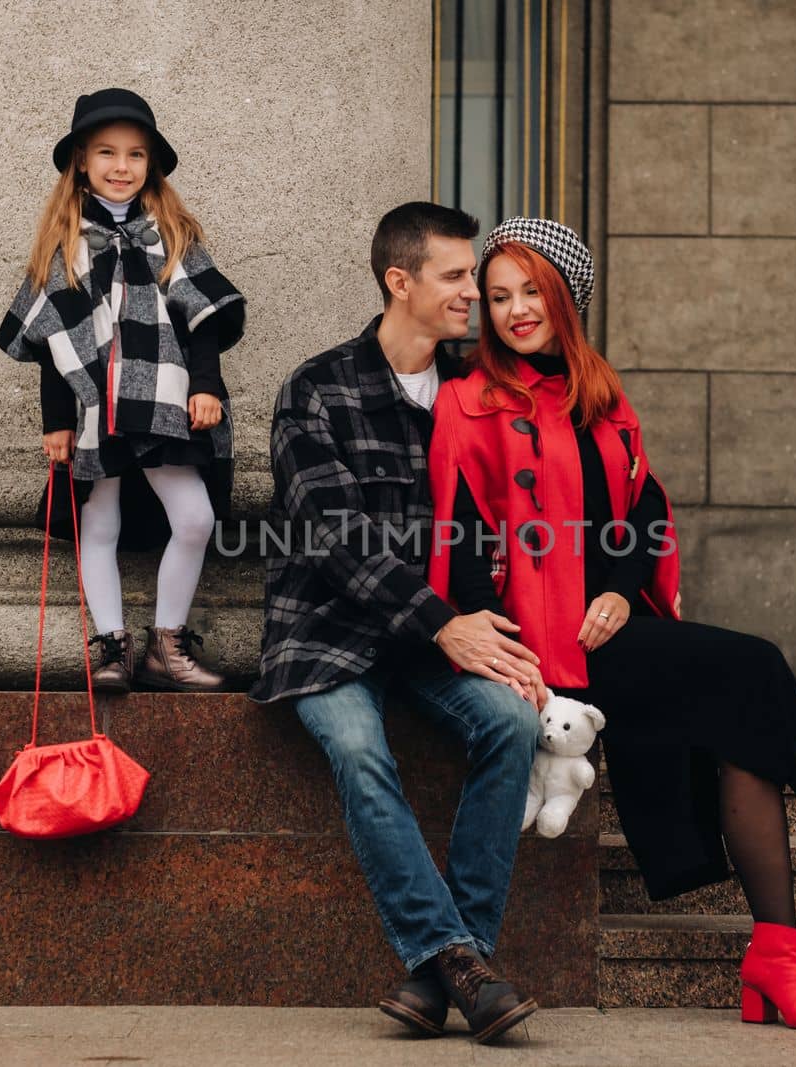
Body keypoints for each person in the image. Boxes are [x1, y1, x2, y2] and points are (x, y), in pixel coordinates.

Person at [426, 217, 796, 1033]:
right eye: (498, 297)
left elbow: (643, 509)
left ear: (566, 295)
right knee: (752, 668)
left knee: (744, 721)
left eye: (530, 290)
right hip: (545, 651)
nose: (513, 310)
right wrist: (512, 657)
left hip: (606, 633)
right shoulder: (469, 402)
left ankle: (780, 955)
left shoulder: (601, 397)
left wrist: (618, 589)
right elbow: (462, 537)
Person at [251, 203, 545, 1044]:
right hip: (326, 628)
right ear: (400, 281)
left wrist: (493, 628)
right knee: (356, 747)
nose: (472, 294)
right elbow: (333, 535)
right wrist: (445, 624)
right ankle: (463, 960)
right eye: (455, 277)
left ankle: (443, 969)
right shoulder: (318, 388)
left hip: (432, 636)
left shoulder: (477, 392)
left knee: (511, 724)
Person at [0, 88, 244, 691]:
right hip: (92, 407)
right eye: (106, 153)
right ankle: (111, 645)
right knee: (97, 523)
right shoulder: (64, 248)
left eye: (135, 155)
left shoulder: (172, 232)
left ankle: (167, 642)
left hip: (165, 397)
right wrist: (55, 422)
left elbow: (203, 318)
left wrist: (205, 387)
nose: (121, 166)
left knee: (193, 518)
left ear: (150, 163)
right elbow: (53, 345)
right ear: (82, 159)